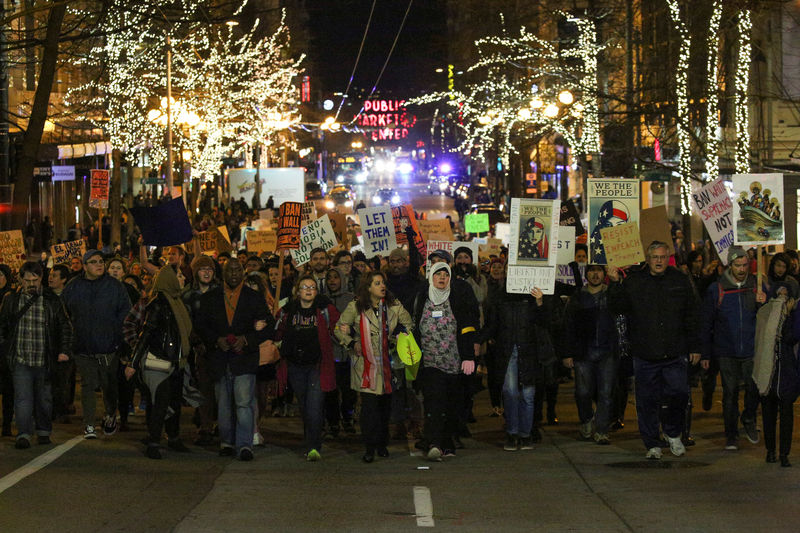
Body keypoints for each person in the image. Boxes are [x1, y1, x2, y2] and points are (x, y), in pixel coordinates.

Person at [607, 241, 700, 459]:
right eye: (654, 257)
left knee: (679, 394)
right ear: (647, 259)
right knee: (647, 401)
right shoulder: (635, 281)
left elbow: (692, 315)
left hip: (674, 352)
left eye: (662, 257)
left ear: (668, 257)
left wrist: (696, 346)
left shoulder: (679, 280)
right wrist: (614, 284)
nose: (659, 261)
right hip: (645, 353)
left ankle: (673, 433)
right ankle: (651, 443)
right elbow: (618, 307)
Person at [194, 259, 272, 461]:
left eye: (238, 270)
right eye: (230, 270)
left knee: (244, 403)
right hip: (220, 359)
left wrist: (246, 340)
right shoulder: (210, 298)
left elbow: (268, 326)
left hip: (244, 359)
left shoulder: (253, 298)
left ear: (243, 273)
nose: (234, 274)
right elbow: (200, 326)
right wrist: (215, 340)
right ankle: (226, 442)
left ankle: (244, 445)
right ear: (223, 273)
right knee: (224, 404)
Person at [336, 271, 413, 462]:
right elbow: (339, 328)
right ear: (368, 287)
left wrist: (396, 339)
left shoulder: (394, 306)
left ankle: (382, 443)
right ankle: (369, 447)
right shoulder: (356, 307)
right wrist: (352, 342)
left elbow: (409, 324)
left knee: (385, 407)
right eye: (377, 283)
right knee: (369, 407)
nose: (382, 286)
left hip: (388, 363)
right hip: (365, 365)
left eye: (383, 282)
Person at [0, 262, 73, 449]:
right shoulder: (12, 300)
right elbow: (3, 326)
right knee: (23, 398)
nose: (31, 284)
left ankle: (43, 431)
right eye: (27, 280)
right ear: (20, 279)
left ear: (41, 279)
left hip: (44, 358)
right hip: (20, 358)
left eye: (35, 279)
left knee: (44, 398)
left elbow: (65, 326)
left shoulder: (51, 300)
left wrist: (64, 351)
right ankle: (23, 433)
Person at [411, 262, 479, 461]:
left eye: (445, 275)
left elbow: (467, 327)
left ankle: (447, 443)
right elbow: (412, 325)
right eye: (438, 274)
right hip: (430, 363)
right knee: (434, 403)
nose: (442, 278)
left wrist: (468, 357)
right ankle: (433, 443)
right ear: (431, 277)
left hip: (453, 363)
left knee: (451, 406)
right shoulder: (421, 298)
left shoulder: (456, 299)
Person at [62, 249, 131, 439]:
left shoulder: (115, 287)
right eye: (94, 262)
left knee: (109, 385)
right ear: (85, 266)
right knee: (88, 385)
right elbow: (64, 314)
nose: (99, 264)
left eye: (101, 261)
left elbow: (126, 315)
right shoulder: (73, 287)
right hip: (82, 347)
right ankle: (89, 424)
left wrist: (120, 340)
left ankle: (110, 414)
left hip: (109, 348)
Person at [701, 246, 766, 451]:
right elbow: (706, 322)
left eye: (745, 264)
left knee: (754, 389)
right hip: (726, 350)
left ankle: (748, 418)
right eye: (738, 265)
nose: (742, 268)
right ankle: (731, 434)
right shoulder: (717, 289)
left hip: (750, 348)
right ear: (730, 265)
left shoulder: (757, 285)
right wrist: (705, 352)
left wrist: (764, 301)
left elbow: (767, 313)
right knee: (730, 393)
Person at [125, 266, 192, 459]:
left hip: (177, 362)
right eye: (178, 275)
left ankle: (173, 438)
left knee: (174, 403)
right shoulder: (159, 304)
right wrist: (133, 362)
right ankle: (154, 442)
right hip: (159, 363)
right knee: (160, 404)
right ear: (168, 280)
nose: (182, 278)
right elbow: (145, 334)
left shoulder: (177, 302)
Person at [274, 274, 340, 461]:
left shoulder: (325, 310)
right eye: (305, 287)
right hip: (295, 365)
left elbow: (339, 325)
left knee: (315, 405)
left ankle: (313, 446)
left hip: (317, 365)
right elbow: (277, 331)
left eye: (312, 287)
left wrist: (345, 333)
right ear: (297, 291)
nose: (309, 290)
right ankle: (310, 436)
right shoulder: (287, 311)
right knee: (304, 404)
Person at [563, 264, 619, 444]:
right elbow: (568, 326)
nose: (595, 274)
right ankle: (586, 419)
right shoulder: (578, 297)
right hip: (583, 352)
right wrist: (568, 353)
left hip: (607, 350)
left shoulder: (611, 294)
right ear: (586, 273)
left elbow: (624, 304)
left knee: (605, 393)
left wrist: (617, 283)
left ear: (604, 273)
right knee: (583, 392)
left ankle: (602, 430)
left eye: (599, 270)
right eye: (592, 270)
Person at [754, 282, 800, 467]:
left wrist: (787, 317)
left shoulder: (795, 315)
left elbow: (792, 337)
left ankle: (784, 454)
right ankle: (770, 450)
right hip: (768, 372)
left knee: (787, 413)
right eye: (779, 293)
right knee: (768, 413)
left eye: (785, 295)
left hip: (787, 371)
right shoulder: (765, 312)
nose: (782, 298)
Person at [182, 255, 219, 445]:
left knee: (220, 389)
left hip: (220, 348)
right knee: (204, 389)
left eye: (210, 269)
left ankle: (220, 423)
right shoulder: (188, 295)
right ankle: (205, 427)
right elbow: (186, 323)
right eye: (203, 269)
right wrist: (196, 342)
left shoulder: (221, 292)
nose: (206, 272)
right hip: (198, 350)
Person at [323, 268, 357, 437]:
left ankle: (348, 418)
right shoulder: (322, 300)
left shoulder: (351, 299)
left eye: (336, 277)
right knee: (331, 391)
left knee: (349, 390)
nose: (332, 281)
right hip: (330, 354)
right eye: (329, 278)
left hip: (348, 353)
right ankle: (333, 422)